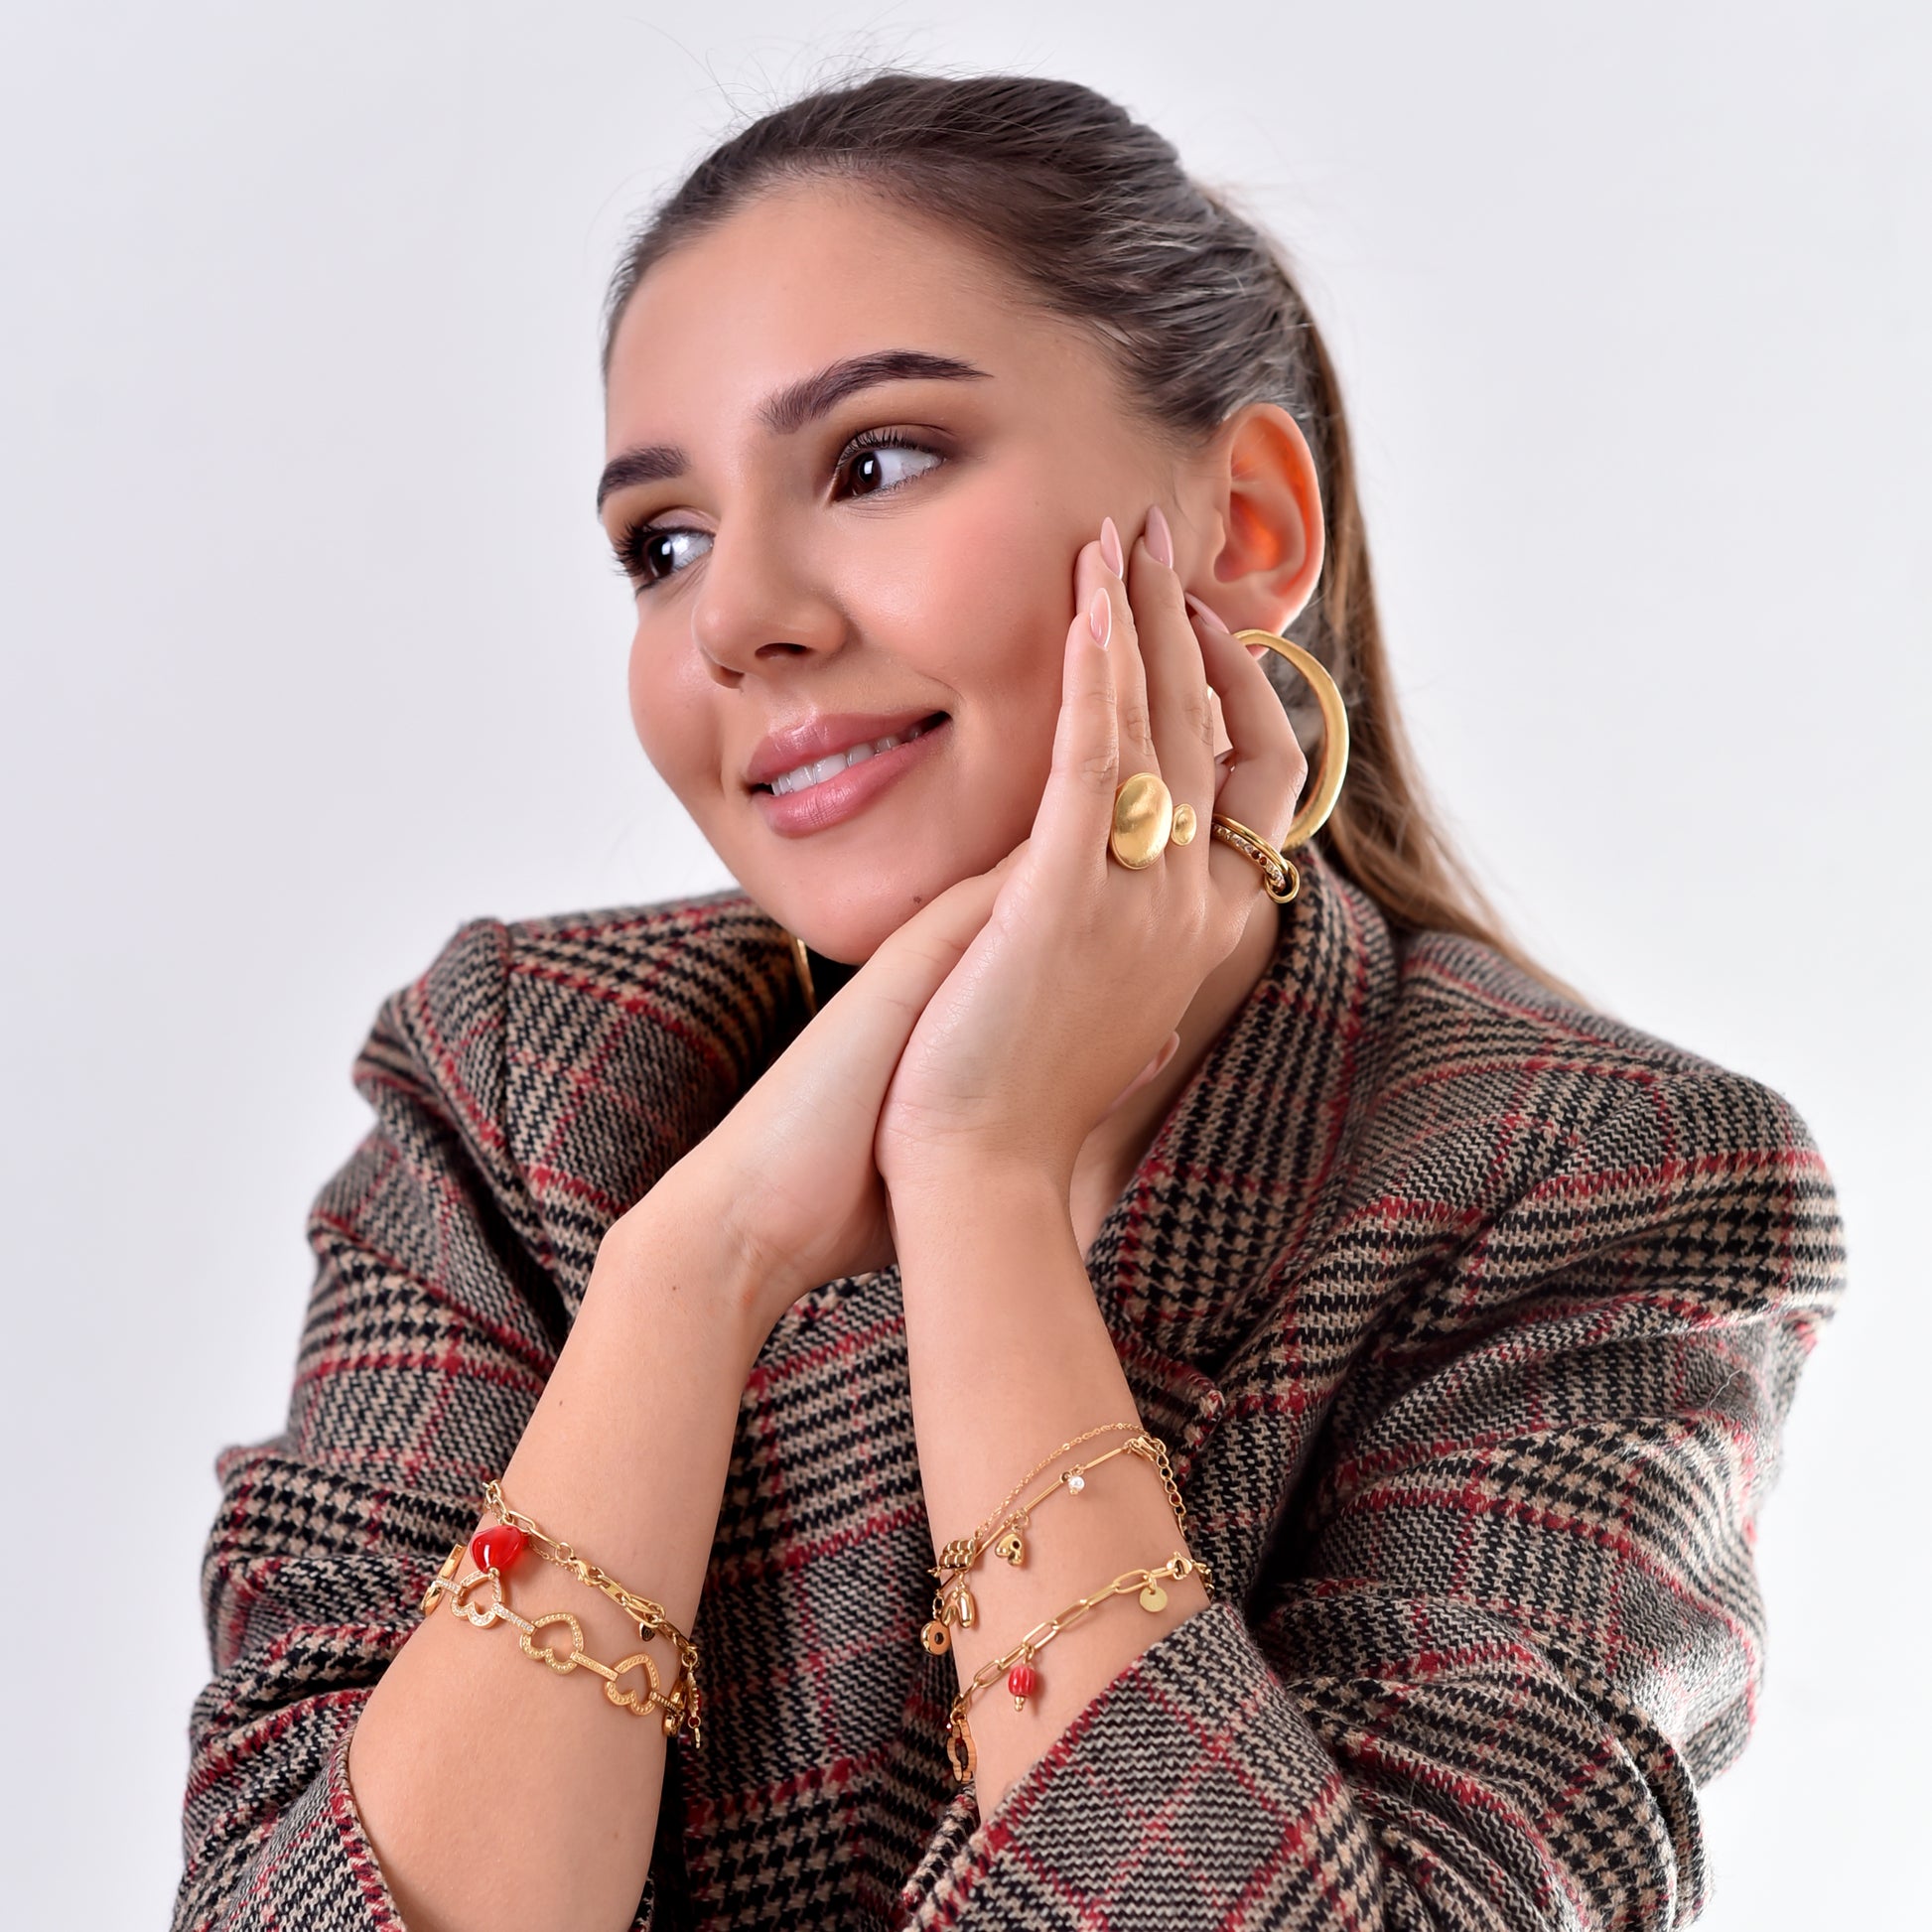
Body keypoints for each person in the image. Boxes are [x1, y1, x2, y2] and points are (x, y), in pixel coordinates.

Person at [172, 69, 1845, 1932]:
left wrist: (974, 1176)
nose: (734, 619)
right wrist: (691, 1269)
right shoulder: (524, 1078)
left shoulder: (1597, 1173)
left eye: (874, 461)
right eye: (664, 543)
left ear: (1246, 527)